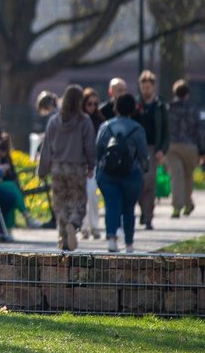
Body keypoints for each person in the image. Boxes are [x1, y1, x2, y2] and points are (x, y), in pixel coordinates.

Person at [37, 84, 97, 251]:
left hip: (57, 167)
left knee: (60, 203)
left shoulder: (54, 121)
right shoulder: (84, 121)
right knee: (78, 201)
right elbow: (90, 146)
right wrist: (91, 164)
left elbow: (46, 147)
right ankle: (74, 223)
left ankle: (63, 238)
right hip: (77, 167)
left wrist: (42, 170)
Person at [96, 93, 148, 253]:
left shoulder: (106, 126)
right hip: (131, 174)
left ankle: (111, 239)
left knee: (111, 205)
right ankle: (129, 243)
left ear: (116, 107)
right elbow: (143, 154)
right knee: (129, 209)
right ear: (133, 109)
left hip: (108, 174)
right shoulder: (137, 129)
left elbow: (98, 149)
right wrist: (144, 169)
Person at [0, 127, 42, 228]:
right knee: (11, 189)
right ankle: (26, 217)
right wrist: (0, 168)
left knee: (11, 191)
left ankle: (10, 225)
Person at [135, 70, 170, 230]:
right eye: (143, 87)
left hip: (153, 148)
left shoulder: (160, 106)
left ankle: (148, 216)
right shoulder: (136, 105)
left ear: (153, 87)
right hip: (138, 149)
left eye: (148, 87)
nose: (145, 90)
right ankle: (143, 210)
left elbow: (166, 131)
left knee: (149, 182)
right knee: (139, 183)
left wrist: (162, 149)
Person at [166, 79, 203, 219]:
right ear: (187, 94)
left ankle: (176, 207)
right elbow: (200, 130)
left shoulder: (169, 108)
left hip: (173, 145)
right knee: (188, 176)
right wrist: (202, 151)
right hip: (191, 146)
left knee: (176, 176)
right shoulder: (194, 109)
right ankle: (188, 203)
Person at [80, 88, 105, 239]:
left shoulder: (100, 120)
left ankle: (95, 226)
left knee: (92, 195)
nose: (93, 107)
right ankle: (83, 227)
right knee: (81, 196)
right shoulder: (79, 120)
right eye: (89, 103)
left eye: (96, 104)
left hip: (95, 163)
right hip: (79, 163)